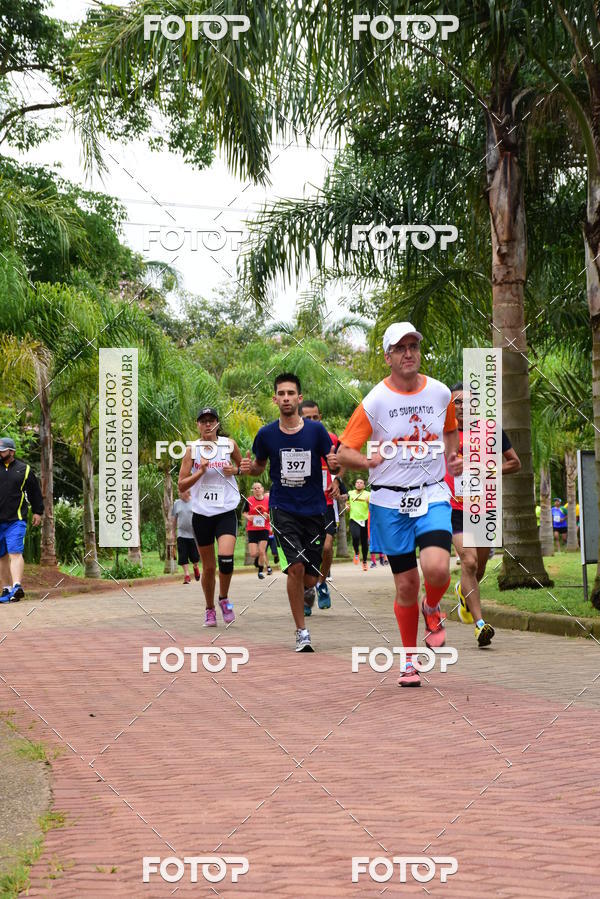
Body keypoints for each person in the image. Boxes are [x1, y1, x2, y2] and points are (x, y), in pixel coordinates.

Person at [337, 322, 461, 687]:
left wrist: (452, 455)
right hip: (390, 501)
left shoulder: (439, 393)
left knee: (437, 570)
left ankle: (432, 606)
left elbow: (450, 428)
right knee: (406, 585)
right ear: (388, 356)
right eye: (400, 348)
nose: (409, 353)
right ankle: (409, 660)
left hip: (432, 492)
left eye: (413, 346)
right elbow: (345, 451)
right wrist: (367, 462)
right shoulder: (375, 401)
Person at [240, 373, 333, 652]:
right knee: (295, 567)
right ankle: (301, 631)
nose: (286, 398)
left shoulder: (317, 432)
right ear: (275, 399)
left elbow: (332, 462)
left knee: (310, 576)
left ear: (299, 398)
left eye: (291, 393)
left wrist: (339, 466)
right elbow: (258, 465)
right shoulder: (266, 434)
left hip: (314, 509)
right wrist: (249, 469)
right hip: (283, 509)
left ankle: (309, 590)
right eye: (281, 394)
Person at [444, 383, 521, 647]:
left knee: (480, 567)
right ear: (450, 406)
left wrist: (485, 469)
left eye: (468, 402)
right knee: (469, 562)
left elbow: (514, 462)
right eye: (457, 402)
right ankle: (479, 625)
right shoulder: (442, 433)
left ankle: (463, 592)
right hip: (453, 509)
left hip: (484, 507)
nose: (463, 407)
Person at [178, 407, 242, 626]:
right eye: (203, 421)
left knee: (226, 559)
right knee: (208, 567)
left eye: (211, 420)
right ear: (197, 425)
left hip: (225, 511)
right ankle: (209, 609)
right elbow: (181, 484)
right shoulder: (192, 450)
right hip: (202, 514)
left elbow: (243, 467)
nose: (207, 424)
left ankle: (224, 599)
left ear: (217, 424)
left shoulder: (229, 444)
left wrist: (234, 471)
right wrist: (200, 472)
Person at [299, 400, 344, 613]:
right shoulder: (292, 439)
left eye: (315, 417)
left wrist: (336, 480)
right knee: (305, 551)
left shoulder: (332, 439)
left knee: (326, 547)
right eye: (307, 418)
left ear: (320, 417)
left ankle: (321, 583)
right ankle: (306, 591)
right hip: (301, 504)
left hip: (325, 504)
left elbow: (342, 462)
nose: (312, 422)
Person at [0, 437, 43, 603]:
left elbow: (34, 492)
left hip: (16, 520)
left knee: (15, 552)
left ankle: (17, 586)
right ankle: (6, 589)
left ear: (12, 451)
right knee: (1, 556)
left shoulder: (24, 469)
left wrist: (38, 512)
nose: (0, 453)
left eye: (3, 450)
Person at [171, 489, 200, 584]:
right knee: (183, 555)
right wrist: (173, 532)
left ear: (187, 492)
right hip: (181, 533)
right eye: (178, 492)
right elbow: (174, 519)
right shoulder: (176, 504)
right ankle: (187, 575)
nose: (179, 493)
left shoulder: (195, 502)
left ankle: (195, 567)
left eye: (181, 492)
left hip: (193, 534)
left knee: (195, 557)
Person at [243, 482, 271, 579]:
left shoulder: (268, 500)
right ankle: (260, 558)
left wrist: (268, 516)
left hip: (264, 528)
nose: (257, 490)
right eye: (255, 488)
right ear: (253, 490)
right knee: (253, 553)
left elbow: (272, 514)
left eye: (259, 488)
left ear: (262, 489)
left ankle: (260, 571)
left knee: (262, 550)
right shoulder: (249, 500)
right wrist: (248, 517)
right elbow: (244, 513)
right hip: (252, 529)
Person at [348, 479, 371, 570]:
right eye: (357, 482)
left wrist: (369, 502)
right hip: (354, 519)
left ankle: (364, 562)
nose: (359, 484)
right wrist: (347, 506)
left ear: (364, 485)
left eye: (361, 483)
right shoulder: (350, 493)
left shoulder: (368, 494)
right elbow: (347, 502)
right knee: (355, 536)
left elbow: (371, 506)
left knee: (365, 543)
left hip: (364, 519)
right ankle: (357, 552)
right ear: (355, 484)